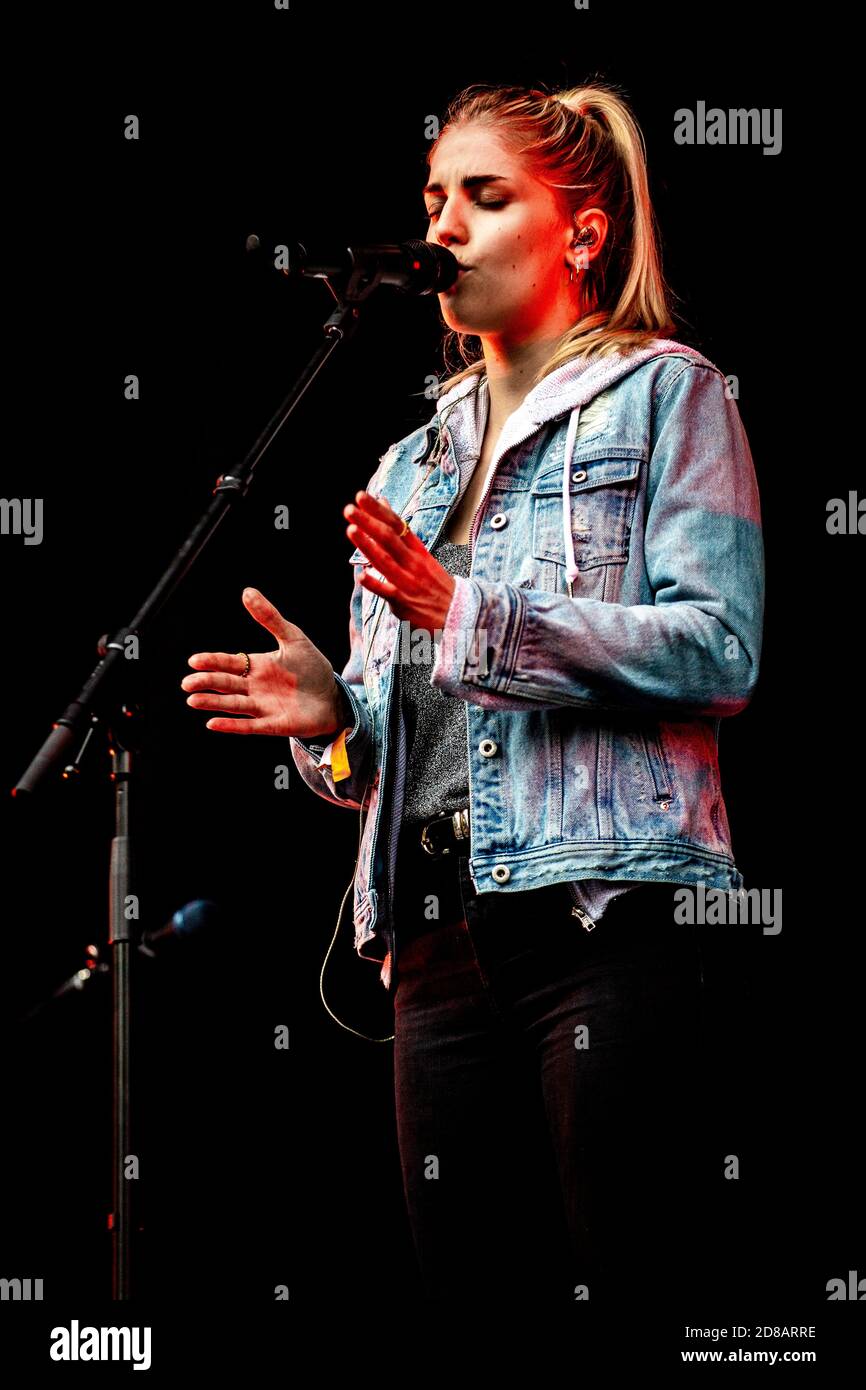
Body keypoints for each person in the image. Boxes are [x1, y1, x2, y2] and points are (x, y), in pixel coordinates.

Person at [181, 82, 764, 1309]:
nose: (443, 225)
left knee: (638, 1282)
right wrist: (337, 722)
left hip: (603, 914)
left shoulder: (669, 394)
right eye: (434, 197)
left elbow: (719, 650)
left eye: (485, 197)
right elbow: (407, 742)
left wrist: (475, 617)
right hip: (433, 935)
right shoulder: (409, 461)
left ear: (583, 229)